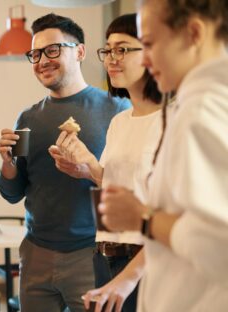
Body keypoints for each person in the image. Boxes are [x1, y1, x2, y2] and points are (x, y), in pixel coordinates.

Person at [99, 0, 228, 311]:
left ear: (193, 34)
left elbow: (219, 244)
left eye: (150, 43)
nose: (146, 57)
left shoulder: (202, 110)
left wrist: (141, 218)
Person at [0, 13, 130, 312]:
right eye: (35, 54)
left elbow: (134, 184)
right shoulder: (27, 118)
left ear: (80, 51)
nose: (42, 60)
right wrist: (7, 164)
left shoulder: (118, 111)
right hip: (36, 254)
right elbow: (13, 190)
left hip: (93, 253)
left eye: (52, 50)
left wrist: (90, 169)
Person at [50, 13, 162, 312]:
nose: (112, 58)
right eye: (108, 50)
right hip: (104, 253)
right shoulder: (120, 122)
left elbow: (171, 210)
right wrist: (89, 169)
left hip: (145, 260)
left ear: (153, 51)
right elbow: (118, 191)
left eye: (123, 49)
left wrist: (128, 278)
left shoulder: (171, 121)